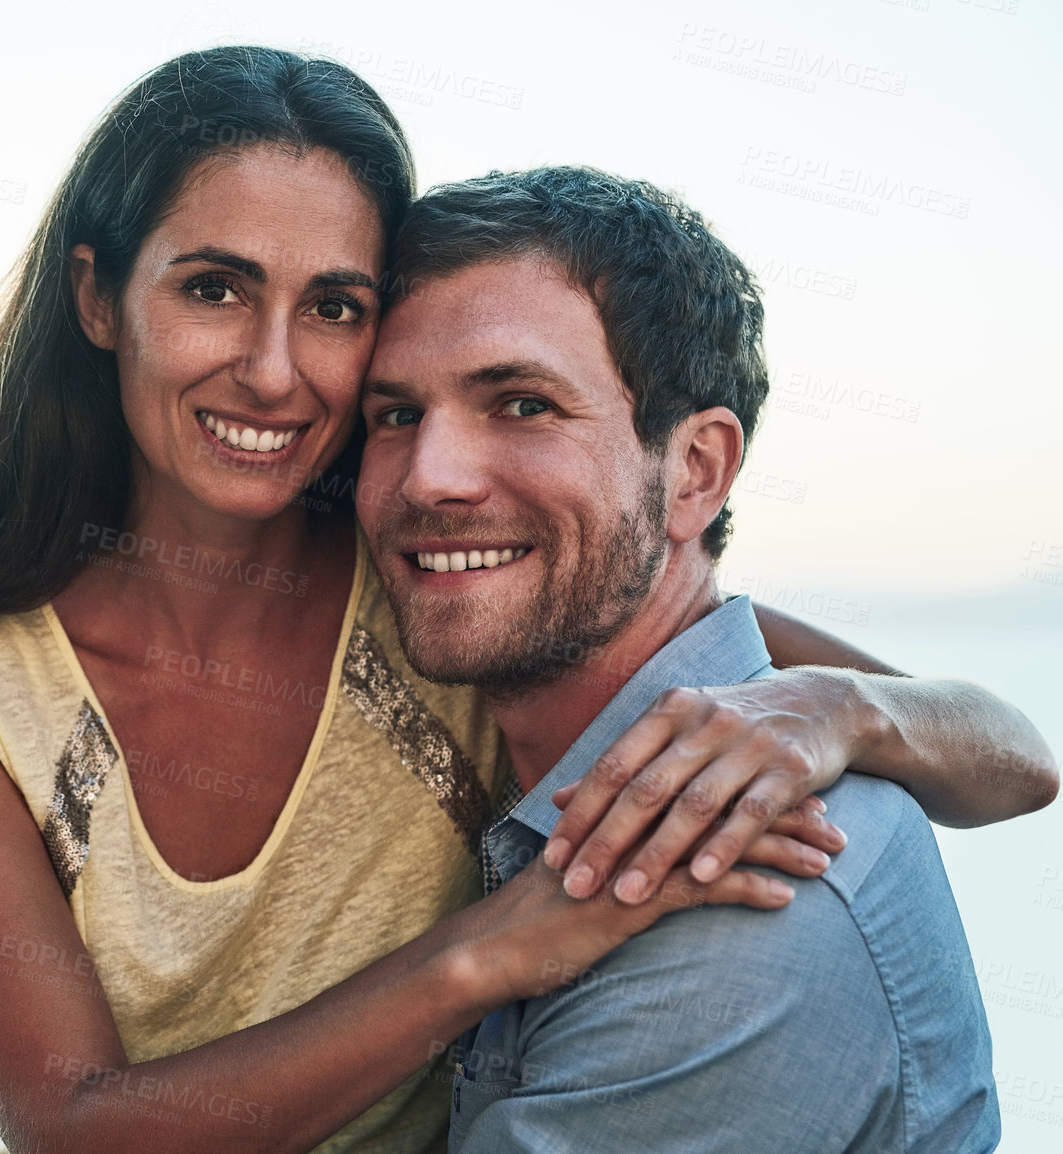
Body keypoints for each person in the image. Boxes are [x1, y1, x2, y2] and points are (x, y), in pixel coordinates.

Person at [0, 48, 1056, 1154]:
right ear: (99, 296)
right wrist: (490, 949)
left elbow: (1013, 757)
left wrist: (833, 710)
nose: (272, 370)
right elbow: (73, 1124)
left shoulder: (441, 578)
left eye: (333, 306)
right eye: (214, 287)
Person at [357, 166, 1032, 1152]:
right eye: (395, 414)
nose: (430, 476)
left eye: (522, 404)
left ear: (695, 471)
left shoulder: (744, 892)